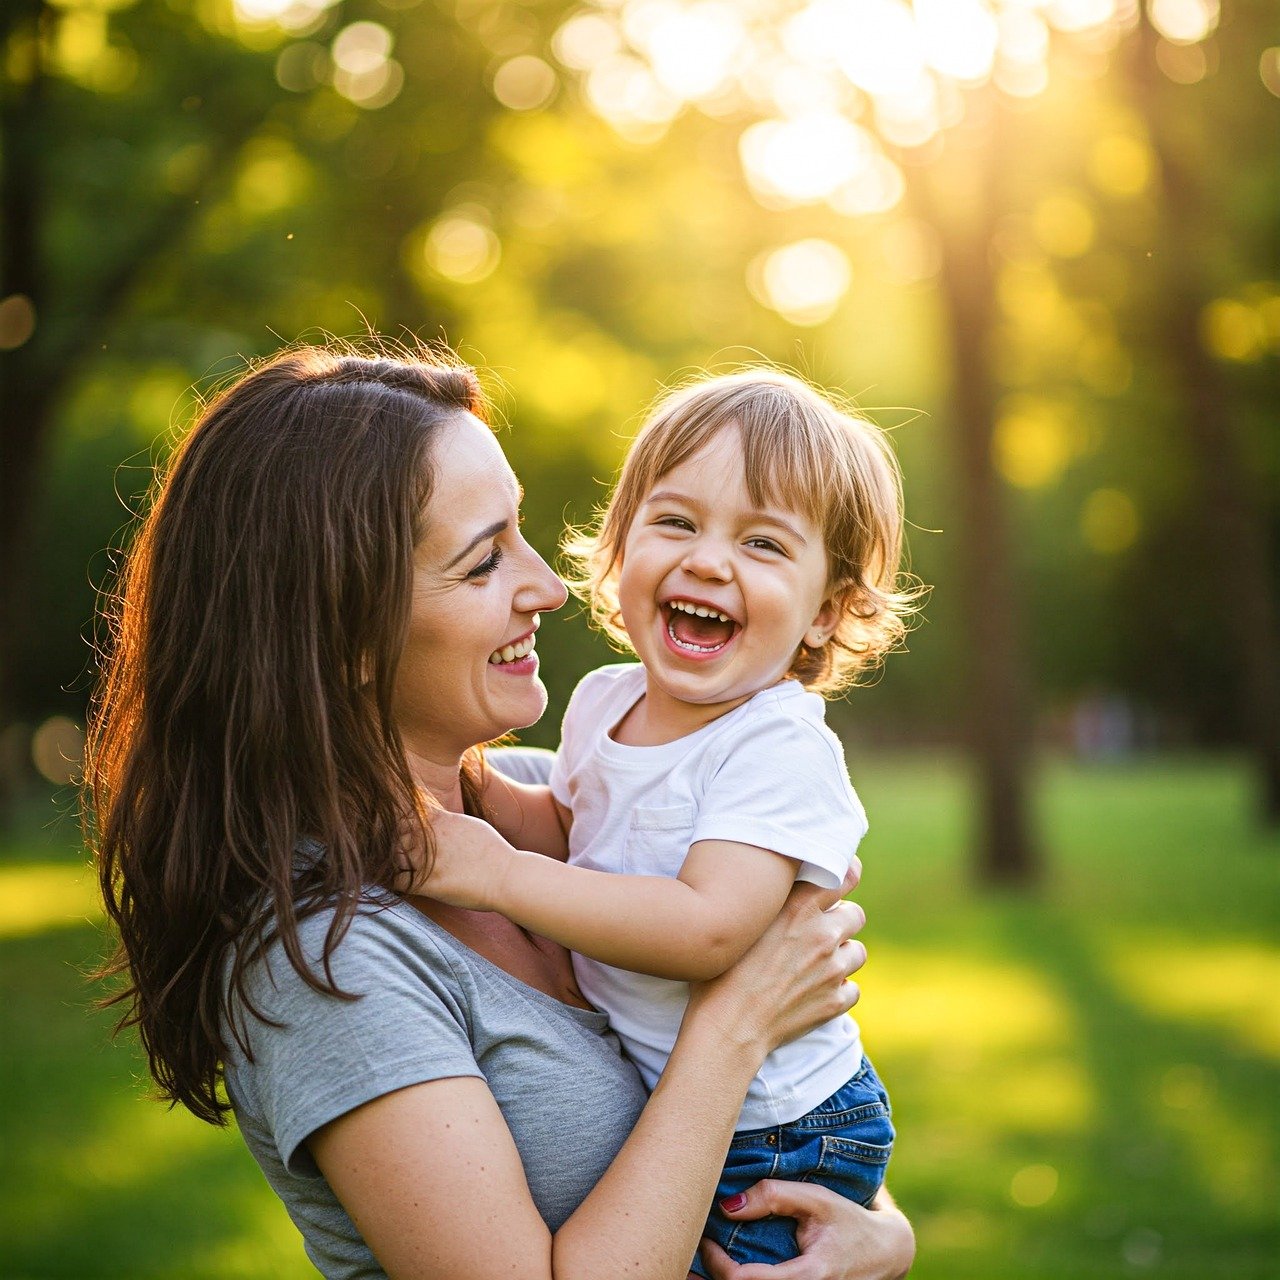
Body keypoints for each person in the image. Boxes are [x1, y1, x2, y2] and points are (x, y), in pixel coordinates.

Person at [85, 343, 916, 1280]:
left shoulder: (546, 793)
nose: (551, 587)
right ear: (344, 629)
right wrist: (735, 1028)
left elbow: (789, 1113)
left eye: (522, 533)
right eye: (485, 562)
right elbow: (740, 1026)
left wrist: (882, 1237)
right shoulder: (328, 961)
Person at [413, 369, 922, 1272]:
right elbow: (579, 839)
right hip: (698, 1104)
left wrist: (492, 872)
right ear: (619, 549)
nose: (709, 561)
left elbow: (707, 930)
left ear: (826, 613)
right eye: (676, 522)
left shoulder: (776, 745)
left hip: (781, 1128)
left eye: (764, 544)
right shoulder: (604, 703)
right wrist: (475, 803)